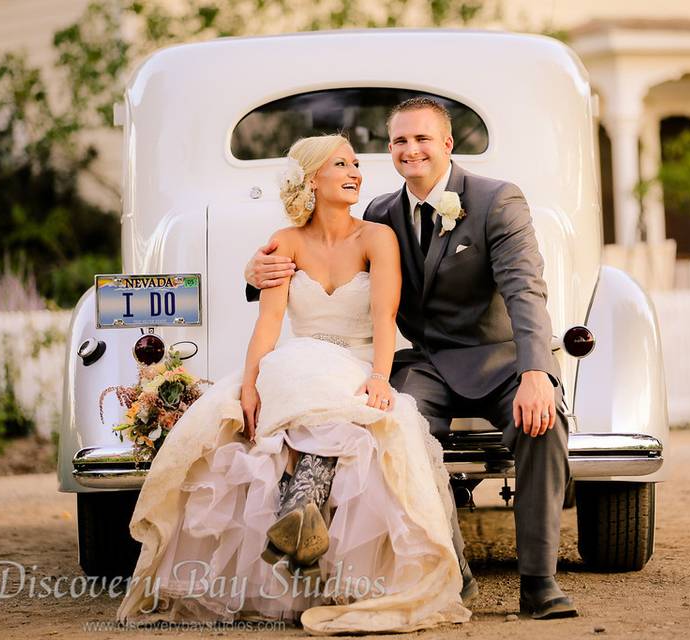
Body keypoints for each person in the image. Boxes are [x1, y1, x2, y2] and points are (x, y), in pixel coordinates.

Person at [117, 134, 470, 634]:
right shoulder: (284, 242)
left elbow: (385, 316)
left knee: (340, 411)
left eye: (355, 164)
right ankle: (300, 511)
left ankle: (298, 507)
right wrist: (248, 385)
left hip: (358, 359)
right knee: (266, 409)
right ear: (311, 179)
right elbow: (269, 324)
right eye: (341, 164)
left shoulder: (377, 238)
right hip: (299, 357)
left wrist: (378, 378)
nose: (355, 172)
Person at [245, 98, 577, 619]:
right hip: (426, 362)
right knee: (393, 429)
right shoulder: (380, 213)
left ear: (447, 144)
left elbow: (525, 291)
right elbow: (326, 256)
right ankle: (453, 574)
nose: (410, 149)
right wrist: (255, 272)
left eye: (422, 138)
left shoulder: (497, 200)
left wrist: (537, 372)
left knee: (544, 424)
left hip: (501, 359)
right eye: (399, 140)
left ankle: (539, 582)